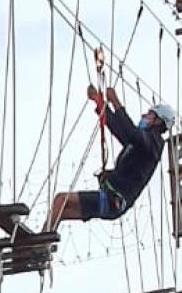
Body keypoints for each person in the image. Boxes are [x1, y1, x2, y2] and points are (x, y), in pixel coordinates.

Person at [44, 86, 174, 231]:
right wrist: (98, 102)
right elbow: (117, 127)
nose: (144, 116)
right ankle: (39, 244)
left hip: (113, 200)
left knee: (61, 199)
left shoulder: (154, 143)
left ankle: (41, 242)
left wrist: (115, 102)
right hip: (112, 200)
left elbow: (131, 132)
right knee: (61, 211)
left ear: (158, 121)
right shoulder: (139, 145)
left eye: (149, 115)